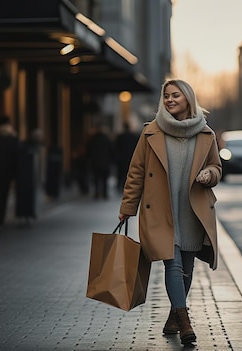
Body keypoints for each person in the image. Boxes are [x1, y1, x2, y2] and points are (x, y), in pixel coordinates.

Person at [118, 79, 222, 345]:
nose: (169, 100)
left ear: (188, 98)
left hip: (192, 211)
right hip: (160, 212)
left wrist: (209, 174)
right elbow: (136, 172)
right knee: (173, 264)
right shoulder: (151, 132)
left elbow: (216, 168)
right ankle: (185, 321)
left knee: (186, 268)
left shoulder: (205, 133)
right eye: (166, 96)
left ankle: (173, 316)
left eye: (175, 95)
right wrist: (128, 207)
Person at [86, 125, 114, 199]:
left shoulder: (93, 140)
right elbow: (111, 150)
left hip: (95, 162)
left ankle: (97, 193)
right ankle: (105, 194)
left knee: (96, 179)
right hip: (105, 162)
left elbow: (89, 151)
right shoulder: (107, 139)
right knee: (105, 179)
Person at [114, 122, 139, 192]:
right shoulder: (134, 136)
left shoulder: (120, 137)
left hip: (121, 159)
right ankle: (128, 185)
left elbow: (116, 148)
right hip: (131, 158)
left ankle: (120, 186)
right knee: (130, 172)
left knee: (121, 173)